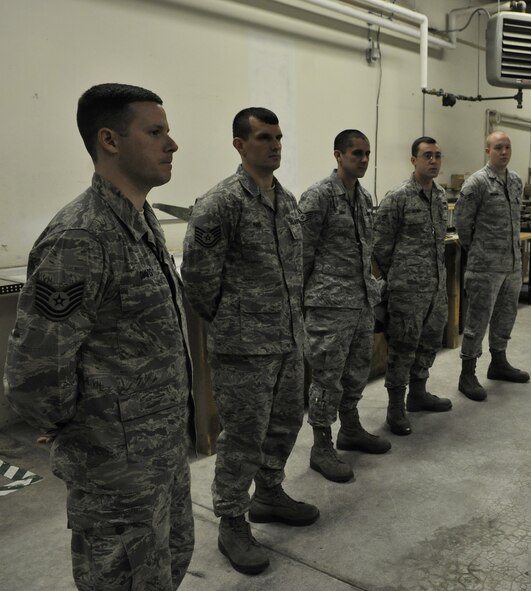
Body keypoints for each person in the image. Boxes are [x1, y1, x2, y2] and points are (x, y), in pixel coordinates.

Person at [3, 83, 194, 590]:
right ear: (109, 140)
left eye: (168, 132)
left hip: (161, 455)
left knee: (167, 567)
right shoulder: (81, 237)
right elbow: (33, 374)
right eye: (156, 132)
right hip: (114, 472)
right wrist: (76, 430)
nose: (171, 144)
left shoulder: (140, 220)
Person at [181, 107, 318, 575]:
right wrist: (232, 325)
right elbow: (198, 282)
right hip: (243, 349)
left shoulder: (287, 200)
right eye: (263, 137)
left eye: (279, 136)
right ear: (239, 144)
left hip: (288, 341)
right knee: (242, 438)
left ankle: (270, 493)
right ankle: (231, 521)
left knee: (284, 425)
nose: (275, 144)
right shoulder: (219, 203)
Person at [299, 129, 391, 482]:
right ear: (338, 155)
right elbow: (301, 255)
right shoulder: (318, 197)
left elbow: (365, 251)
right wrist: (305, 303)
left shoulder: (363, 197)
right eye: (357, 153)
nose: (364, 160)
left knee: (356, 374)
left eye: (367, 153)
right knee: (327, 377)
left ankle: (350, 428)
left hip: (360, 302)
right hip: (328, 305)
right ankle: (321, 446)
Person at [373, 136, 453, 436]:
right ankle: (396, 408)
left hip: (435, 288)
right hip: (407, 291)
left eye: (437, 155)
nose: (433, 161)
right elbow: (379, 245)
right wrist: (400, 277)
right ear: (413, 160)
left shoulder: (441, 196)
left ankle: (418, 394)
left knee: (429, 342)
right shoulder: (398, 198)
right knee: (403, 349)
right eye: (427, 156)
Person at [455, 130, 531, 402]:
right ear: (487, 151)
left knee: (506, 315)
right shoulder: (476, 183)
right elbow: (462, 225)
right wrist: (478, 250)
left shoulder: (515, 181)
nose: (504, 152)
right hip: (484, 265)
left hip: (511, 263)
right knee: (477, 321)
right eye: (498, 147)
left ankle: (498, 362)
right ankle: (467, 373)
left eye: (508, 147)